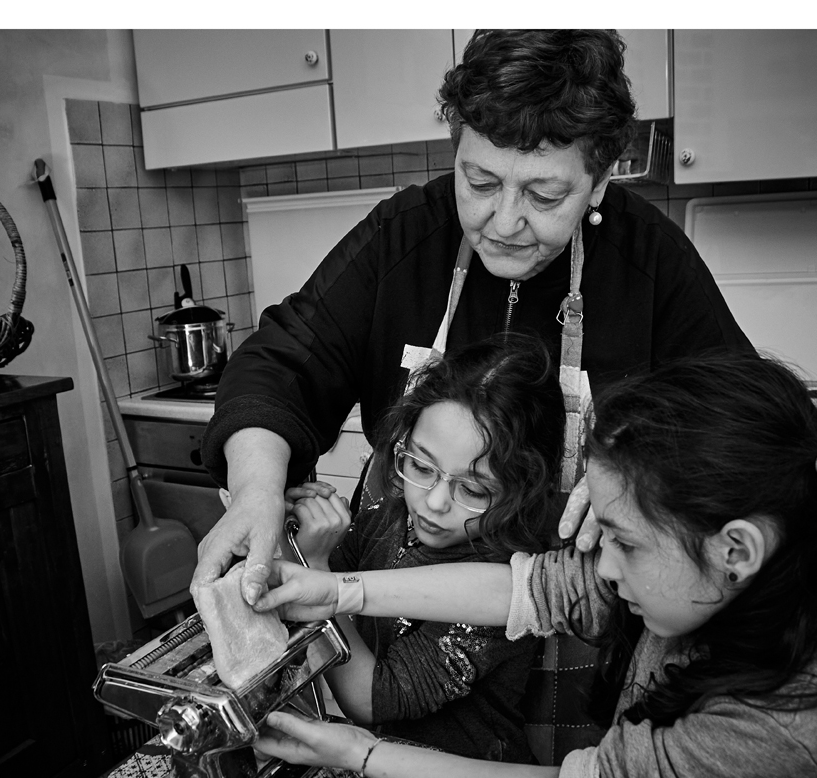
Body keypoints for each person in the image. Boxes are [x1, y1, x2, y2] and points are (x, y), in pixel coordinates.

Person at [192, 29, 753, 613]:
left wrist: (645, 473)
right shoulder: (405, 235)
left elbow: (740, 414)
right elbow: (280, 364)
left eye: (543, 196)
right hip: (394, 607)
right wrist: (254, 494)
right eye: (480, 183)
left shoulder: (651, 259)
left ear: (601, 179)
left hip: (577, 612)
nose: (504, 221)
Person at [252, 353, 817, 778]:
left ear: (737, 550)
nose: (598, 565)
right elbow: (528, 589)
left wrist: (359, 753)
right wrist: (340, 589)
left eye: (623, 543)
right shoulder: (711, 584)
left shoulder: (769, 737)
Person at [286, 334, 564, 763]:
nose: (435, 502)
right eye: (420, 465)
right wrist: (302, 538)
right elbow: (314, 592)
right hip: (371, 761)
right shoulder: (390, 513)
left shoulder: (507, 584)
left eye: (472, 489)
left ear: (523, 492)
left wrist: (319, 570)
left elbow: (372, 699)